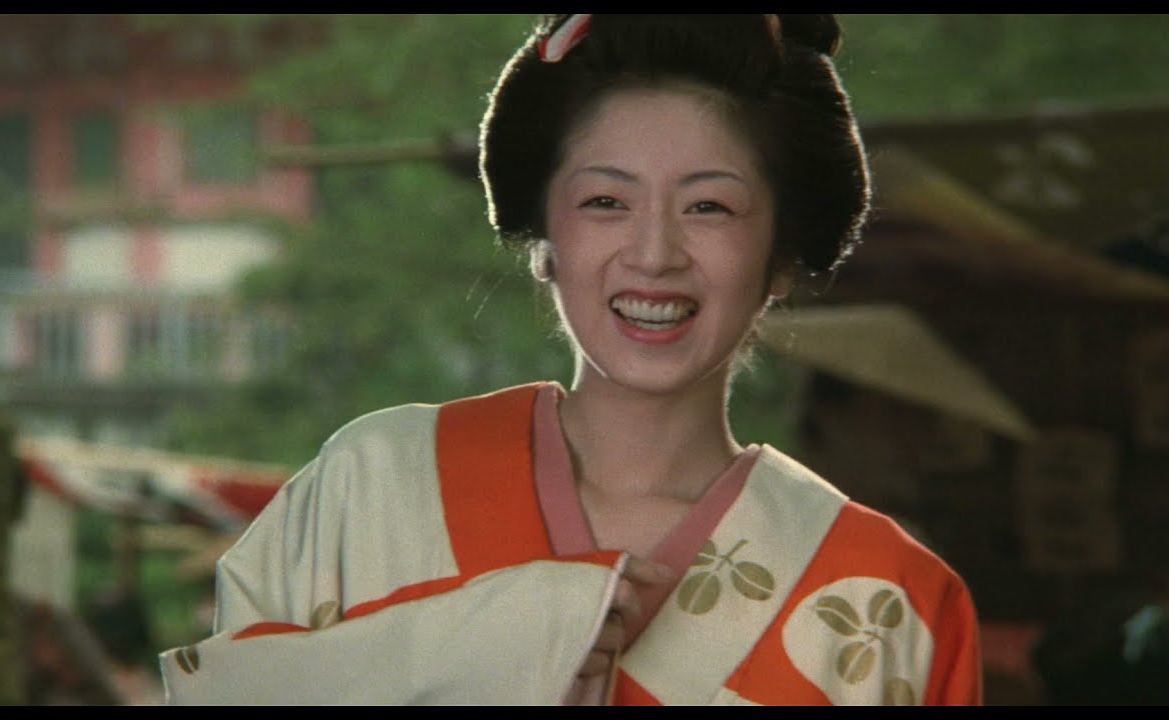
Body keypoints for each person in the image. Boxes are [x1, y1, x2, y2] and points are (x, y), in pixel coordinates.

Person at [159, 14, 983, 705]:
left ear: (781, 258)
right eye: (605, 201)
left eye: (709, 206)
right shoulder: (371, 486)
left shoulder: (891, 601)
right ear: (544, 239)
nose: (654, 254)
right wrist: (504, 639)